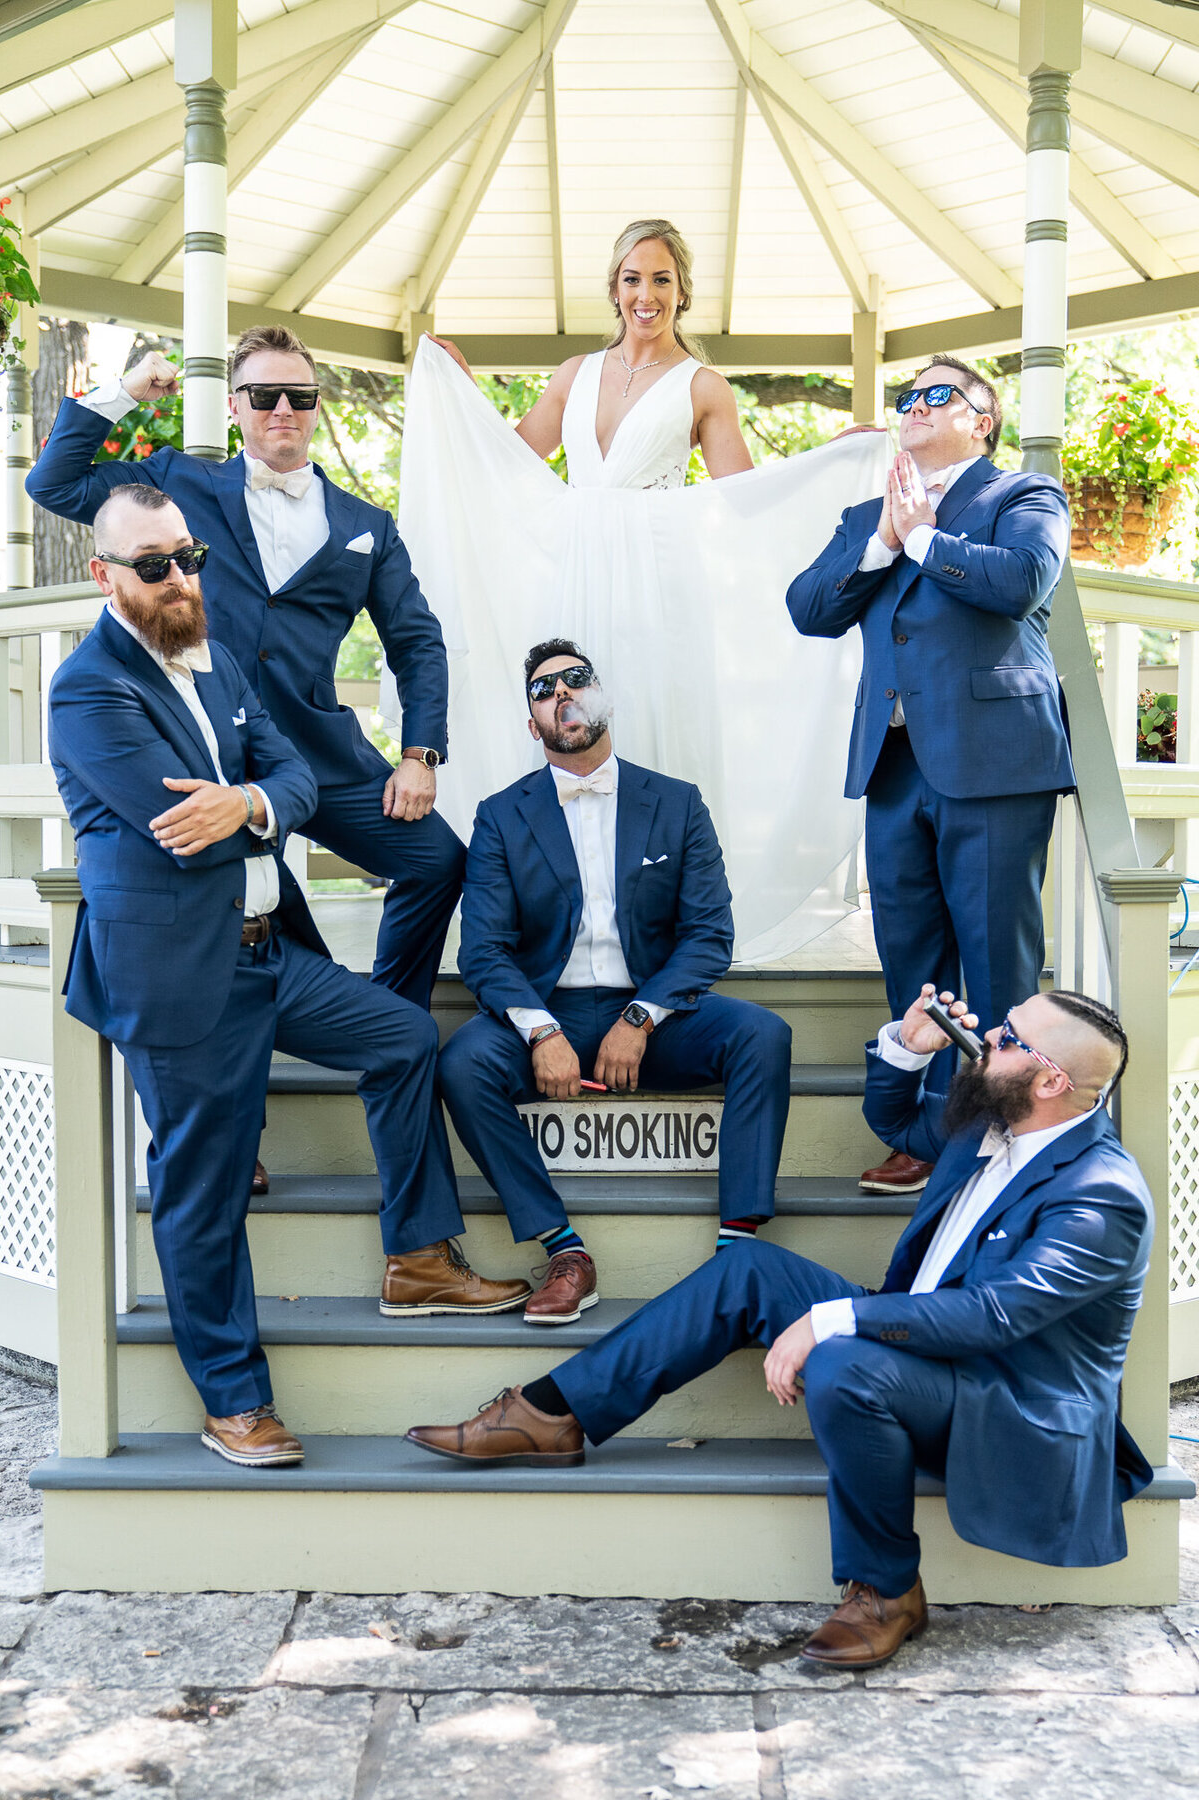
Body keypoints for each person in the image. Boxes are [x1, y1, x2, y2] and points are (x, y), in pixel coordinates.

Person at [408, 982, 1153, 1670]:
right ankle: (552, 1413)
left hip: (1005, 1408)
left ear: (1052, 1080)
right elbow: (896, 1120)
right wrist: (907, 1046)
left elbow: (992, 1315)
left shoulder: (1100, 1195)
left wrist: (830, 1321)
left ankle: (887, 1590)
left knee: (842, 1364)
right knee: (748, 1269)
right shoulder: (999, 1124)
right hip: (932, 1357)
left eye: (1010, 1039)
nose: (987, 1037)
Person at [47, 488, 529, 1468]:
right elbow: (172, 822)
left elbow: (295, 778)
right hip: (184, 974)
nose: (182, 577)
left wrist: (254, 800)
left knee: (402, 1037)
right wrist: (257, 797)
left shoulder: (217, 658)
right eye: (155, 565)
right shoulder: (87, 690)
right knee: (205, 1194)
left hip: (271, 949)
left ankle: (418, 1258)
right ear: (105, 576)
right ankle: (235, 1402)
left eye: (189, 557)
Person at [383, 220, 889, 962]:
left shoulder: (703, 387)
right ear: (613, 288)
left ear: (682, 293)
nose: (644, 295)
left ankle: (652, 931)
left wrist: (824, 466)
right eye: (631, 278)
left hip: (657, 584)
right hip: (574, 574)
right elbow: (510, 463)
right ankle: (559, 922)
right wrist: (461, 398)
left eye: (660, 280)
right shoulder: (572, 373)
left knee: (647, 727)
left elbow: (744, 498)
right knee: (565, 722)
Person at [27, 322, 465, 1012]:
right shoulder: (177, 483)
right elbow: (53, 484)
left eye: (298, 394)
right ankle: (230, 1017)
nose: (282, 409)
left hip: (320, 758)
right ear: (234, 406)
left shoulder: (367, 526)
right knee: (213, 884)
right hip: (206, 750)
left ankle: (390, 1013)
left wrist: (420, 754)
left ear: (318, 404)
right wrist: (125, 392)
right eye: (262, 395)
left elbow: (417, 643)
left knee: (437, 861)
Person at [435, 640, 793, 1322]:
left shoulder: (677, 804)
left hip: (655, 1015)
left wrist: (640, 1018)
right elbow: (483, 952)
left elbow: (709, 934)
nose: (562, 694)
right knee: (461, 1062)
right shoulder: (501, 816)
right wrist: (540, 1030)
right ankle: (563, 1249)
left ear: (602, 696)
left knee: (763, 1036)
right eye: (544, 690)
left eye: (576, 679)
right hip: (548, 1008)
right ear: (532, 723)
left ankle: (738, 1245)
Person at [787, 356, 1074, 1198]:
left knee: (995, 959)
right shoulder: (864, 516)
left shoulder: (1023, 497)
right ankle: (929, 1131)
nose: (913, 406)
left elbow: (1021, 583)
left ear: (983, 419)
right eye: (904, 399)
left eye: (935, 395)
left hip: (994, 761)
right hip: (894, 765)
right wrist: (882, 540)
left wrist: (922, 538)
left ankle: (1005, 1135)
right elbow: (809, 609)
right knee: (910, 953)